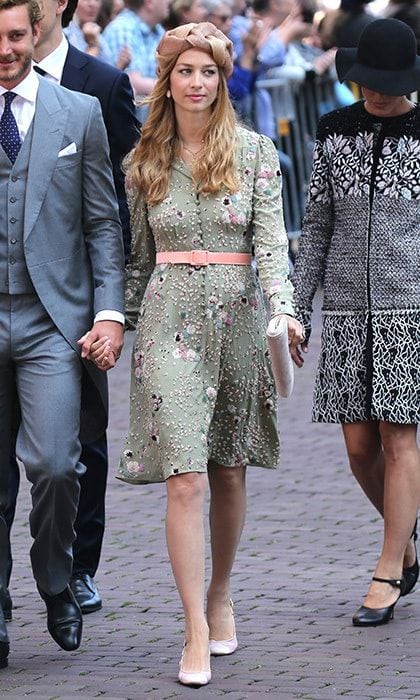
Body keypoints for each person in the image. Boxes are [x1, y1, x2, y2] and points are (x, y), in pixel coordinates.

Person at [116, 20, 303, 687]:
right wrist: (117, 325)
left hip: (239, 319)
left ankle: (221, 591)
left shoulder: (254, 154)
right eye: (184, 71)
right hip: (168, 320)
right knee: (185, 477)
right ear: (166, 80)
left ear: (223, 80)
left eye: (209, 71)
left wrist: (285, 310)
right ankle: (194, 625)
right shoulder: (144, 163)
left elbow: (274, 247)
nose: (196, 82)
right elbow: (136, 262)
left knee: (227, 470)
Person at [1, 0, 138, 624]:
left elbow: (104, 226)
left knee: (57, 464)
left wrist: (110, 312)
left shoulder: (78, 112)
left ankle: (57, 576)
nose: (4, 49)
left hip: (50, 322)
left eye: (14, 36)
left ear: (36, 33)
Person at [292, 18, 419, 627]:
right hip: (344, 306)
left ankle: (389, 568)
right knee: (358, 446)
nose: (373, 93)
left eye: (385, 85)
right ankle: (407, 537)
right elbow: (316, 225)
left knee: (400, 441)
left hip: (409, 309)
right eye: (365, 82)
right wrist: (296, 306)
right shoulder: (333, 130)